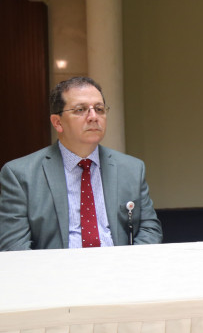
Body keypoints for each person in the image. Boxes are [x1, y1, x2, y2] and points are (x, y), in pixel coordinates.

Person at [0, 77, 162, 250]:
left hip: (118, 265)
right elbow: (14, 246)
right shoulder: (20, 175)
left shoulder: (131, 169)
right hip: (56, 266)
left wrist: (126, 263)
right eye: (80, 109)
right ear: (58, 122)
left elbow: (149, 229)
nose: (93, 117)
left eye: (99, 109)